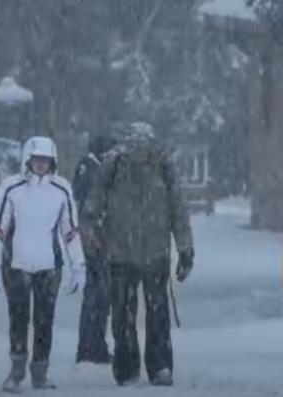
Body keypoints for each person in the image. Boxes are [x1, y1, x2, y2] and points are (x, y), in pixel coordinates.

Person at [87, 122, 193, 387]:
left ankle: (126, 368)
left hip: (120, 252)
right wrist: (185, 248)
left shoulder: (112, 163)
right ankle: (160, 367)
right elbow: (178, 210)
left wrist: (95, 245)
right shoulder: (162, 162)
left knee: (123, 312)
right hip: (156, 251)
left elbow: (92, 208)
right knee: (158, 313)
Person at [0, 136, 86, 392]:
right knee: (18, 318)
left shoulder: (62, 189)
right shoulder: (11, 188)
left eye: (46, 160)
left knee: (44, 320)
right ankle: (17, 369)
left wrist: (79, 265)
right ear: (27, 160)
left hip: (49, 266)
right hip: (16, 264)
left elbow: (70, 231)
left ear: (53, 162)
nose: (41, 165)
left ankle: (40, 370)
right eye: (36, 160)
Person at [72, 132, 117, 364]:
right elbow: (85, 206)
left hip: (98, 238)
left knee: (100, 296)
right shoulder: (89, 169)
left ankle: (94, 345)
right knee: (96, 295)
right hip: (93, 240)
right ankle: (90, 347)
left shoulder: (89, 168)